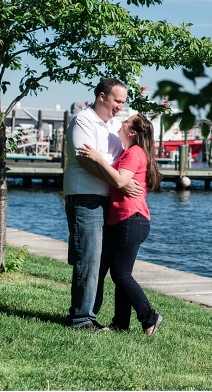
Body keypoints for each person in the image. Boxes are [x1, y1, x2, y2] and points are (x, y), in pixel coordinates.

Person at [64, 78, 143, 330]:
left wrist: (125, 181)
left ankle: (89, 315)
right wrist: (119, 183)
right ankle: (81, 318)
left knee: (100, 262)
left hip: (108, 201)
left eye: (123, 102)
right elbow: (86, 161)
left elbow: (125, 159)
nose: (120, 106)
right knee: (88, 258)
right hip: (85, 198)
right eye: (117, 100)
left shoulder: (113, 127)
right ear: (101, 96)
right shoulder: (83, 121)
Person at [78, 113, 164, 335]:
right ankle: (120, 324)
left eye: (126, 121)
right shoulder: (131, 152)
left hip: (130, 218)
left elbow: (119, 180)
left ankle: (150, 317)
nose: (121, 122)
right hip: (122, 219)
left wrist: (98, 158)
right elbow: (118, 179)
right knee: (119, 273)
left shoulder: (134, 153)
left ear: (132, 132)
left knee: (121, 274)